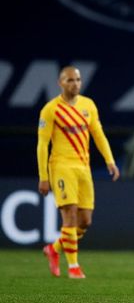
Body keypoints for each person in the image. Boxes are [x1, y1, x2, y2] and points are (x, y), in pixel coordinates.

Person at [38, 66, 120, 279]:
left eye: (77, 80)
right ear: (60, 83)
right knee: (70, 216)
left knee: (85, 221)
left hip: (84, 167)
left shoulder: (88, 105)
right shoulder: (51, 109)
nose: (75, 84)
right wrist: (44, 177)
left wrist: (110, 160)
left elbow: (98, 135)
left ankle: (54, 249)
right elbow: (42, 145)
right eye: (70, 80)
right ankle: (73, 267)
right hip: (61, 166)